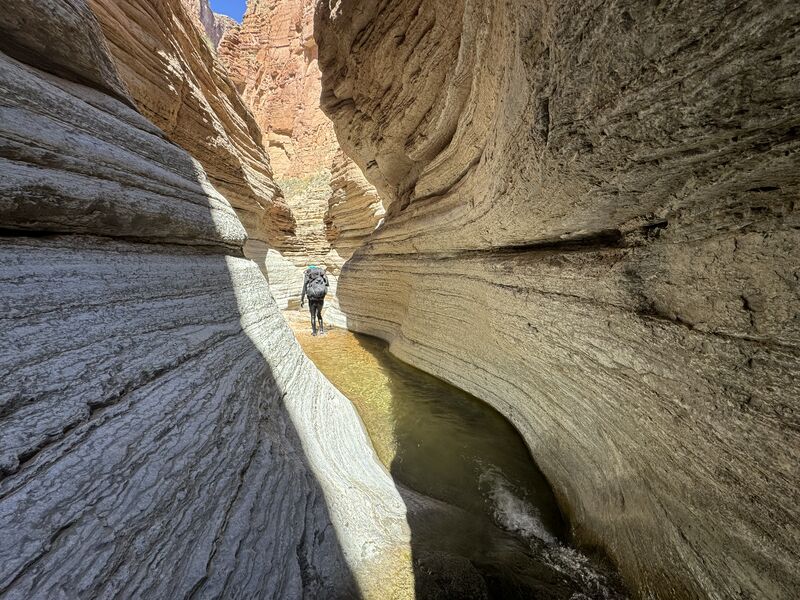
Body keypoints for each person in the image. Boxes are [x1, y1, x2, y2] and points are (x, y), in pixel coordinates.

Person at [300, 264, 329, 335]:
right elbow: (327, 284)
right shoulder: (321, 272)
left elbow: (304, 287)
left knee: (313, 315)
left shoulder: (308, 273)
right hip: (321, 297)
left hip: (312, 298)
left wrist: (302, 299)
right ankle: (321, 330)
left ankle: (314, 332)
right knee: (319, 314)